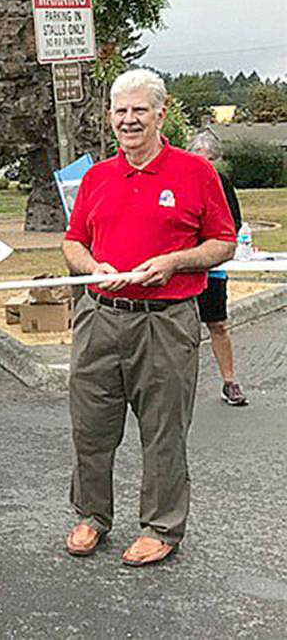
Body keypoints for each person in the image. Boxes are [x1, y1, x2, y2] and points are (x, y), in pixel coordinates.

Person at [61, 69, 235, 567]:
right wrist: (93, 267)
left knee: (163, 431)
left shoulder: (196, 173)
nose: (129, 120)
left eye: (139, 110)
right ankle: (92, 515)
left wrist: (175, 262)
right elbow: (72, 242)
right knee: (90, 426)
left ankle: (161, 526)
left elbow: (222, 242)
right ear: (110, 117)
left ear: (161, 113)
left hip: (166, 320)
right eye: (121, 111)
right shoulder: (96, 177)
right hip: (99, 316)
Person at [186, 132, 248, 407]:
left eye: (209, 160)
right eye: (198, 159)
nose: (204, 165)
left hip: (212, 269)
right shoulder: (179, 181)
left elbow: (234, 223)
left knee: (218, 325)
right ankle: (178, 386)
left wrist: (212, 248)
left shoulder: (222, 183)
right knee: (180, 329)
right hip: (182, 269)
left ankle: (230, 381)